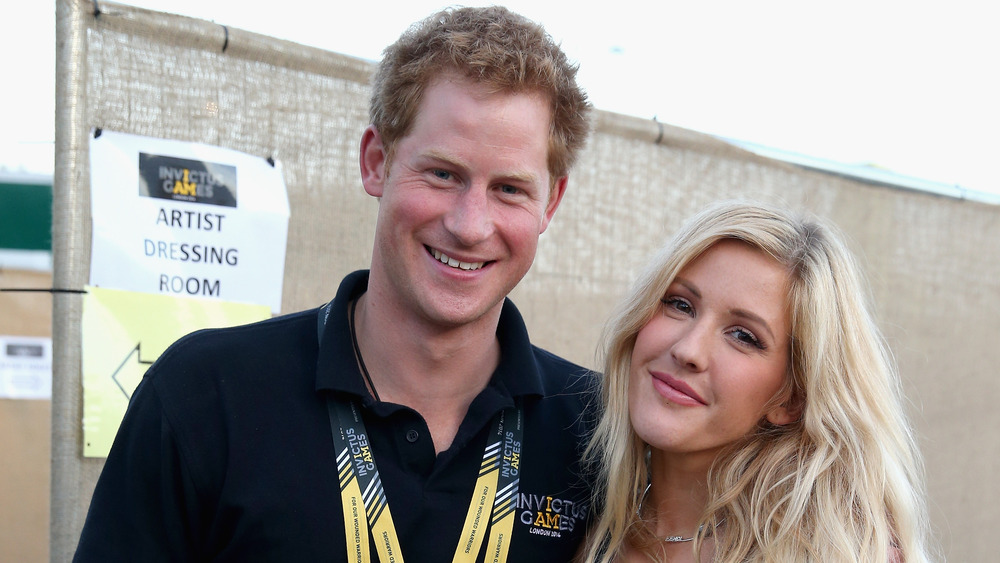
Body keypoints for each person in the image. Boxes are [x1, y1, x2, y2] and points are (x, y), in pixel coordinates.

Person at [74, 6, 594, 562]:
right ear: (376, 162)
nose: (469, 226)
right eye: (443, 174)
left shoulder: (596, 432)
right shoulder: (204, 395)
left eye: (510, 189)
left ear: (550, 203)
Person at [580, 201, 936, 563]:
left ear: (791, 399)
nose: (688, 350)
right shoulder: (577, 511)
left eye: (743, 336)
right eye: (680, 304)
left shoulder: (844, 555)